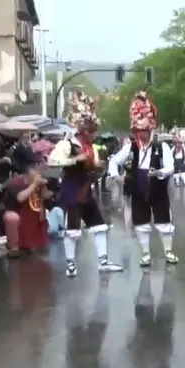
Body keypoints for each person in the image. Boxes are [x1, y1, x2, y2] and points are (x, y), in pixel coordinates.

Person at [48, 90, 122, 278]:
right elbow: (52, 161)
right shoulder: (67, 144)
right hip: (72, 189)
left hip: (85, 189)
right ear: (83, 131)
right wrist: (74, 160)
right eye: (92, 131)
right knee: (72, 229)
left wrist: (99, 166)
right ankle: (71, 264)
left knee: (99, 225)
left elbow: (93, 165)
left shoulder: (90, 147)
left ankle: (103, 261)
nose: (94, 134)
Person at [107, 91, 178, 268]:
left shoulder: (161, 146)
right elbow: (114, 161)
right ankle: (146, 253)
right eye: (137, 131)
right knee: (141, 222)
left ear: (150, 129)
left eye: (143, 131)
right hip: (138, 189)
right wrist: (117, 176)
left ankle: (168, 251)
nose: (140, 134)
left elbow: (170, 167)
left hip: (158, 188)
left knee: (164, 221)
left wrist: (159, 173)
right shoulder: (130, 147)